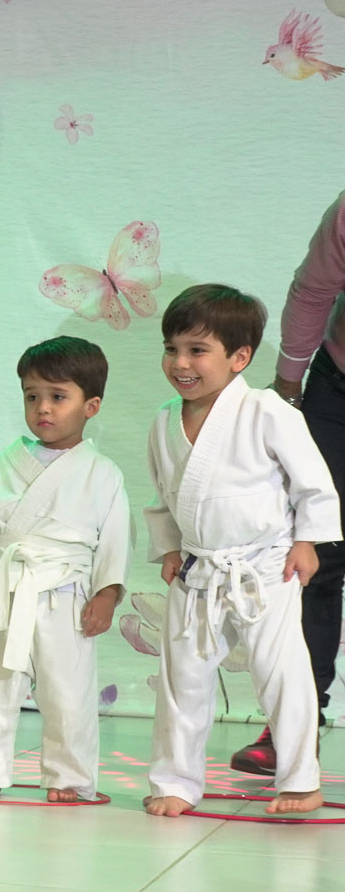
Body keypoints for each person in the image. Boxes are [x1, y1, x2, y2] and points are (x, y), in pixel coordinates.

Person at [143, 284, 339, 818]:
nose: (180, 363)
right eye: (171, 349)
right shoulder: (163, 420)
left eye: (197, 350)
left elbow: (313, 484)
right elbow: (163, 495)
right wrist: (169, 548)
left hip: (265, 564)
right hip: (198, 567)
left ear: (240, 357)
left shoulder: (267, 410)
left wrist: (307, 541)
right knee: (182, 680)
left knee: (281, 672)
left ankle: (300, 780)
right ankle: (176, 781)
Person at [0, 337, 128, 802]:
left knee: (68, 693)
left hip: (67, 594)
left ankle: (69, 777)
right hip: (7, 589)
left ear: (91, 406)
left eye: (57, 396)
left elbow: (114, 539)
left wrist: (107, 593)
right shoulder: (1, 465)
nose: (42, 408)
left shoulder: (103, 472)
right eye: (32, 396)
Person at [260, 190, 345, 775]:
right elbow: (315, 291)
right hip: (337, 386)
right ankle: (296, 726)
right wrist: (289, 384)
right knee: (317, 550)